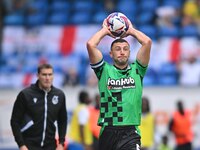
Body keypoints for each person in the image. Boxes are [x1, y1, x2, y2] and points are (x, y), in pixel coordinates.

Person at [86, 17, 152, 150]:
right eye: (117, 49)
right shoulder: (104, 71)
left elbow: (147, 42)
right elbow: (90, 44)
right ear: (111, 53)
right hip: (108, 131)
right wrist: (105, 30)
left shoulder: (137, 70)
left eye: (125, 49)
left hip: (130, 132)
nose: (122, 51)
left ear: (129, 52)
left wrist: (131, 30)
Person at [10, 63, 67, 150]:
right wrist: (21, 144)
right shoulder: (25, 94)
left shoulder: (59, 95)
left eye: (50, 74)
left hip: (50, 146)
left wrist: (61, 143)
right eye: (44, 75)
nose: (47, 78)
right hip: (29, 146)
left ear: (53, 76)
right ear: (38, 76)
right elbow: (14, 121)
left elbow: (62, 120)